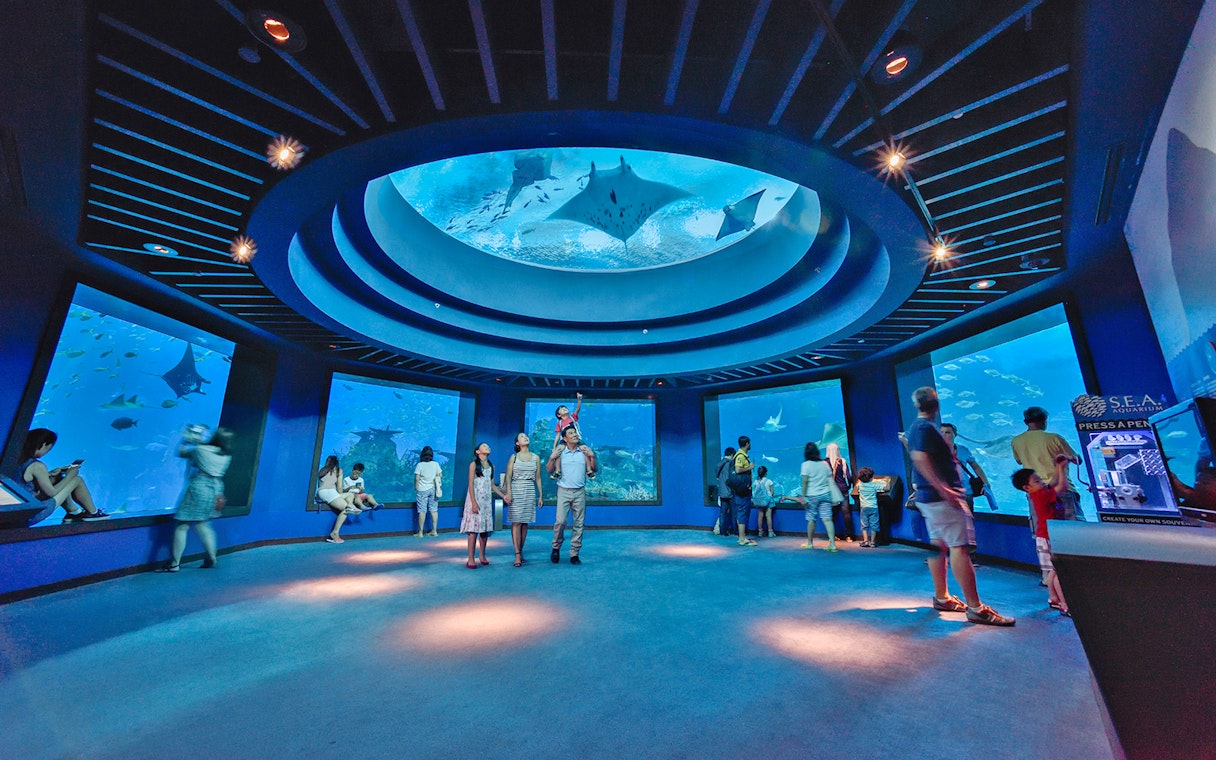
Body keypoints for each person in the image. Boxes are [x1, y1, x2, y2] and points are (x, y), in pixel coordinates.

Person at [906, 386, 1014, 626]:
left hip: (929, 498)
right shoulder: (924, 428)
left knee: (938, 545)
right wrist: (944, 489)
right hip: (941, 498)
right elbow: (920, 459)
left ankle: (942, 597)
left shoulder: (918, 428)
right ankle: (976, 607)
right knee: (960, 547)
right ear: (936, 405)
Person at [164, 426, 233, 572]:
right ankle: (211, 557)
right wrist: (199, 442)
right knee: (203, 524)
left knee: (182, 525)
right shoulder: (227, 455)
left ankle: (174, 564)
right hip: (217, 488)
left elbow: (181, 452)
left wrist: (187, 439)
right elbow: (207, 450)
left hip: (199, 487)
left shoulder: (200, 450)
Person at [1013, 459, 1072, 617]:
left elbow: (1052, 483)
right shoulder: (1041, 495)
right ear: (1027, 487)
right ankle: (1065, 603)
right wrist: (1063, 469)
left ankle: (1053, 598)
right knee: (1060, 571)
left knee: (1053, 570)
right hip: (1049, 537)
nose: (1042, 482)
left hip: (1044, 536)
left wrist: (1059, 467)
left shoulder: (1038, 492)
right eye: (1037, 480)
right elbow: (1062, 487)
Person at [17, 428, 109, 522]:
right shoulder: (37, 466)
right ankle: (93, 513)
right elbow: (51, 493)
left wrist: (50, 474)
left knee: (57, 478)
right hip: (31, 514)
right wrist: (70, 475)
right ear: (44, 444)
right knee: (77, 480)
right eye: (49, 448)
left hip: (15, 511)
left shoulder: (14, 459)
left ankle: (73, 512)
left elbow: (24, 483)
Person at [1011, 406, 1083, 523]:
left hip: (1035, 493)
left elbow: (1019, 461)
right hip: (1062, 489)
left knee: (1045, 528)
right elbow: (1077, 460)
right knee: (1073, 529)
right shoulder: (1054, 438)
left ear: (1025, 422)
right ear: (1044, 420)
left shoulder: (1016, 441)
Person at [546, 425, 597, 564]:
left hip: (580, 491)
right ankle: (556, 547)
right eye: (570, 433)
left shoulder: (583, 451)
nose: (574, 435)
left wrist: (592, 456)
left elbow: (595, 469)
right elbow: (549, 470)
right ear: (564, 438)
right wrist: (551, 458)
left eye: (575, 432)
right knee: (560, 521)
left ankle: (574, 553)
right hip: (563, 490)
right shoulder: (560, 451)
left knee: (579, 523)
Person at [461, 442, 509, 568]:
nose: (487, 447)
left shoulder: (491, 466)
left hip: (486, 502)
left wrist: (503, 496)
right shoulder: (473, 465)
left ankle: (482, 555)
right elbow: (470, 484)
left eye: (488, 446)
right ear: (477, 451)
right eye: (484, 446)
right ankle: (470, 558)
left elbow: (492, 485)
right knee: (473, 530)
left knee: (484, 531)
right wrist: (473, 502)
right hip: (475, 499)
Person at [504, 432, 543, 567]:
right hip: (516, 488)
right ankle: (517, 555)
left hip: (530, 489)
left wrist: (541, 496)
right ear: (517, 443)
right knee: (516, 522)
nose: (525, 437)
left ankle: (520, 550)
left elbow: (538, 477)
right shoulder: (513, 457)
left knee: (525, 522)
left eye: (526, 436)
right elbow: (508, 477)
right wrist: (509, 493)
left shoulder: (536, 457)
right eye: (522, 437)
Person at [941, 423, 996, 511]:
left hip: (965, 491)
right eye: (941, 432)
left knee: (968, 521)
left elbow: (976, 467)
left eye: (947, 432)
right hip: (944, 493)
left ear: (955, 435)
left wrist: (985, 483)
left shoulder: (963, 450)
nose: (944, 435)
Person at [796, 442, 837, 551]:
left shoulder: (805, 465)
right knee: (828, 519)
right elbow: (830, 479)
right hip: (825, 494)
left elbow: (805, 481)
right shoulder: (824, 463)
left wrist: (803, 496)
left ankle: (810, 543)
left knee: (811, 519)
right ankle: (832, 544)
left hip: (812, 495)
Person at [319, 455, 360, 544]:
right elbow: (339, 488)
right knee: (346, 509)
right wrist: (339, 495)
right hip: (330, 492)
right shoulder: (339, 471)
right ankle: (334, 533)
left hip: (323, 492)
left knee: (350, 495)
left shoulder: (322, 470)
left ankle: (350, 505)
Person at [731, 436, 757, 546]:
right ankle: (741, 538)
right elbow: (737, 469)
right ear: (747, 444)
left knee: (742, 512)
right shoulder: (740, 456)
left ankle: (742, 536)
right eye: (749, 443)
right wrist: (750, 468)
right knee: (742, 512)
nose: (750, 445)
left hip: (743, 489)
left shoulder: (741, 455)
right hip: (742, 490)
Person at [826, 442, 854, 542]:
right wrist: (849, 486)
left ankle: (831, 536)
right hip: (843, 490)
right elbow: (849, 477)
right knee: (846, 512)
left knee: (832, 514)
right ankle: (849, 536)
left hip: (831, 491)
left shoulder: (824, 462)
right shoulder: (842, 461)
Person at [414, 446, 443, 537]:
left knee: (422, 511)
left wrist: (416, 487)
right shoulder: (435, 464)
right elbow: (440, 475)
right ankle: (434, 531)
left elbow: (417, 478)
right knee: (434, 510)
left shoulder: (420, 465)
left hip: (422, 489)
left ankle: (420, 532)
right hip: (433, 489)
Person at [855, 467, 882, 547]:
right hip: (873, 507)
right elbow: (884, 486)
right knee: (874, 524)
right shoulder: (874, 484)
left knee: (864, 524)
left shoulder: (859, 485)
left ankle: (865, 541)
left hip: (864, 507)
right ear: (871, 477)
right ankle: (873, 542)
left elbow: (857, 486)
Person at [713, 446, 736, 536]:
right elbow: (730, 479)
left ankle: (722, 530)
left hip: (722, 492)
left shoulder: (719, 464)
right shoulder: (730, 464)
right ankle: (735, 530)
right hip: (730, 491)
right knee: (734, 512)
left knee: (723, 512)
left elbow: (718, 477)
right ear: (731, 455)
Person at [753, 465, 776, 537]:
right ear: (766, 473)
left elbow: (755, 491)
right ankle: (770, 532)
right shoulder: (769, 481)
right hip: (768, 500)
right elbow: (772, 492)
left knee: (760, 516)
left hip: (759, 501)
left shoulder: (756, 481)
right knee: (768, 516)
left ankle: (760, 531)